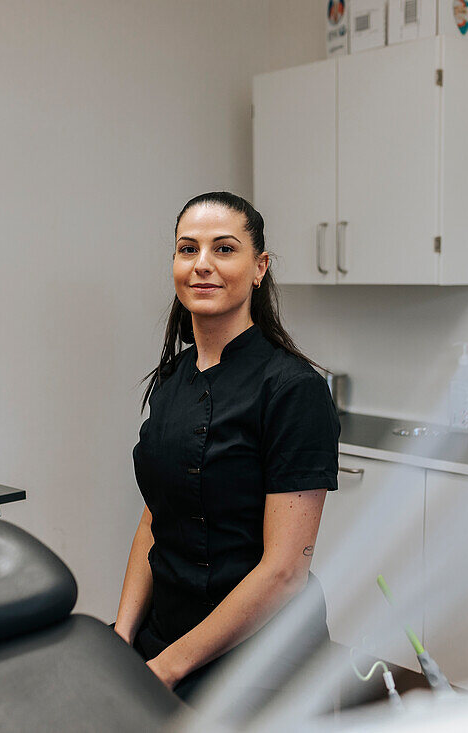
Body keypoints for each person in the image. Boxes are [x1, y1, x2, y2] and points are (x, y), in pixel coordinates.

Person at [113, 191, 341, 705]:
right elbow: (156, 518)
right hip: (164, 636)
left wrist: (168, 668)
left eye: (224, 249)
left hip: (260, 659)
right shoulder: (173, 379)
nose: (203, 265)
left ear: (259, 267)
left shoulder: (291, 389)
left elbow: (284, 572)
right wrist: (123, 636)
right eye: (188, 249)